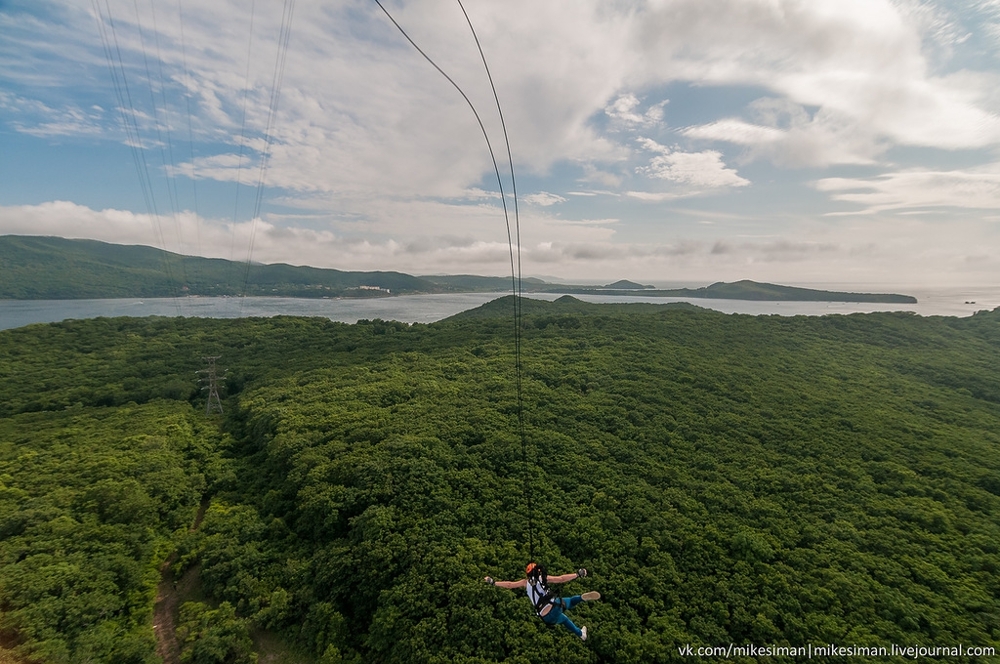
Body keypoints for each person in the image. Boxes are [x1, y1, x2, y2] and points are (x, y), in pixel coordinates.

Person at [484, 562, 600, 640]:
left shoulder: (525, 583)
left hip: (545, 616)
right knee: (569, 601)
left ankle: (581, 634)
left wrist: (493, 582)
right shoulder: (542, 578)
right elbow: (561, 579)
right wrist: (577, 574)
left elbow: (509, 584)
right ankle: (581, 599)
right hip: (555, 605)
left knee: (564, 620)